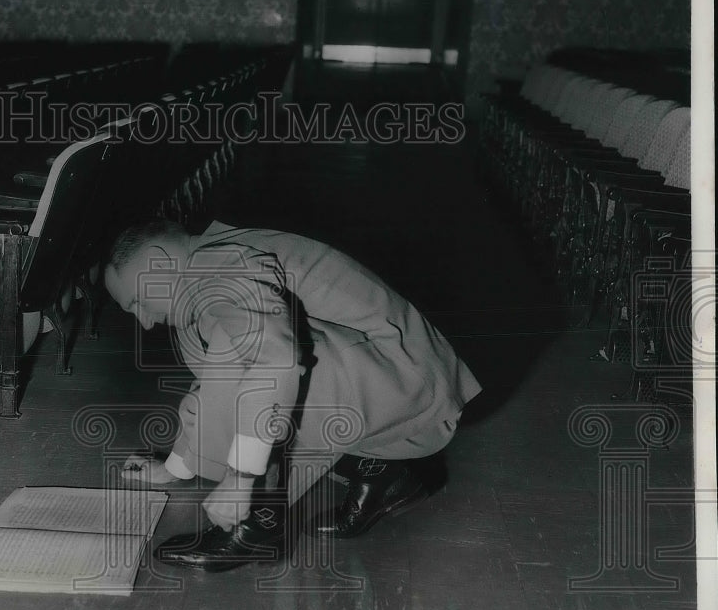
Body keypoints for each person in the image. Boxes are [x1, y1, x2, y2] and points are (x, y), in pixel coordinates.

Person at [104, 218, 481, 571]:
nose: (144, 321)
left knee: (253, 362)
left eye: (136, 301)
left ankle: (257, 526)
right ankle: (381, 473)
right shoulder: (211, 265)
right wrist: (176, 468)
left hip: (409, 386)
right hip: (394, 388)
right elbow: (213, 386)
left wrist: (240, 479)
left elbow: (272, 361)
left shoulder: (216, 270)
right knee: (241, 369)